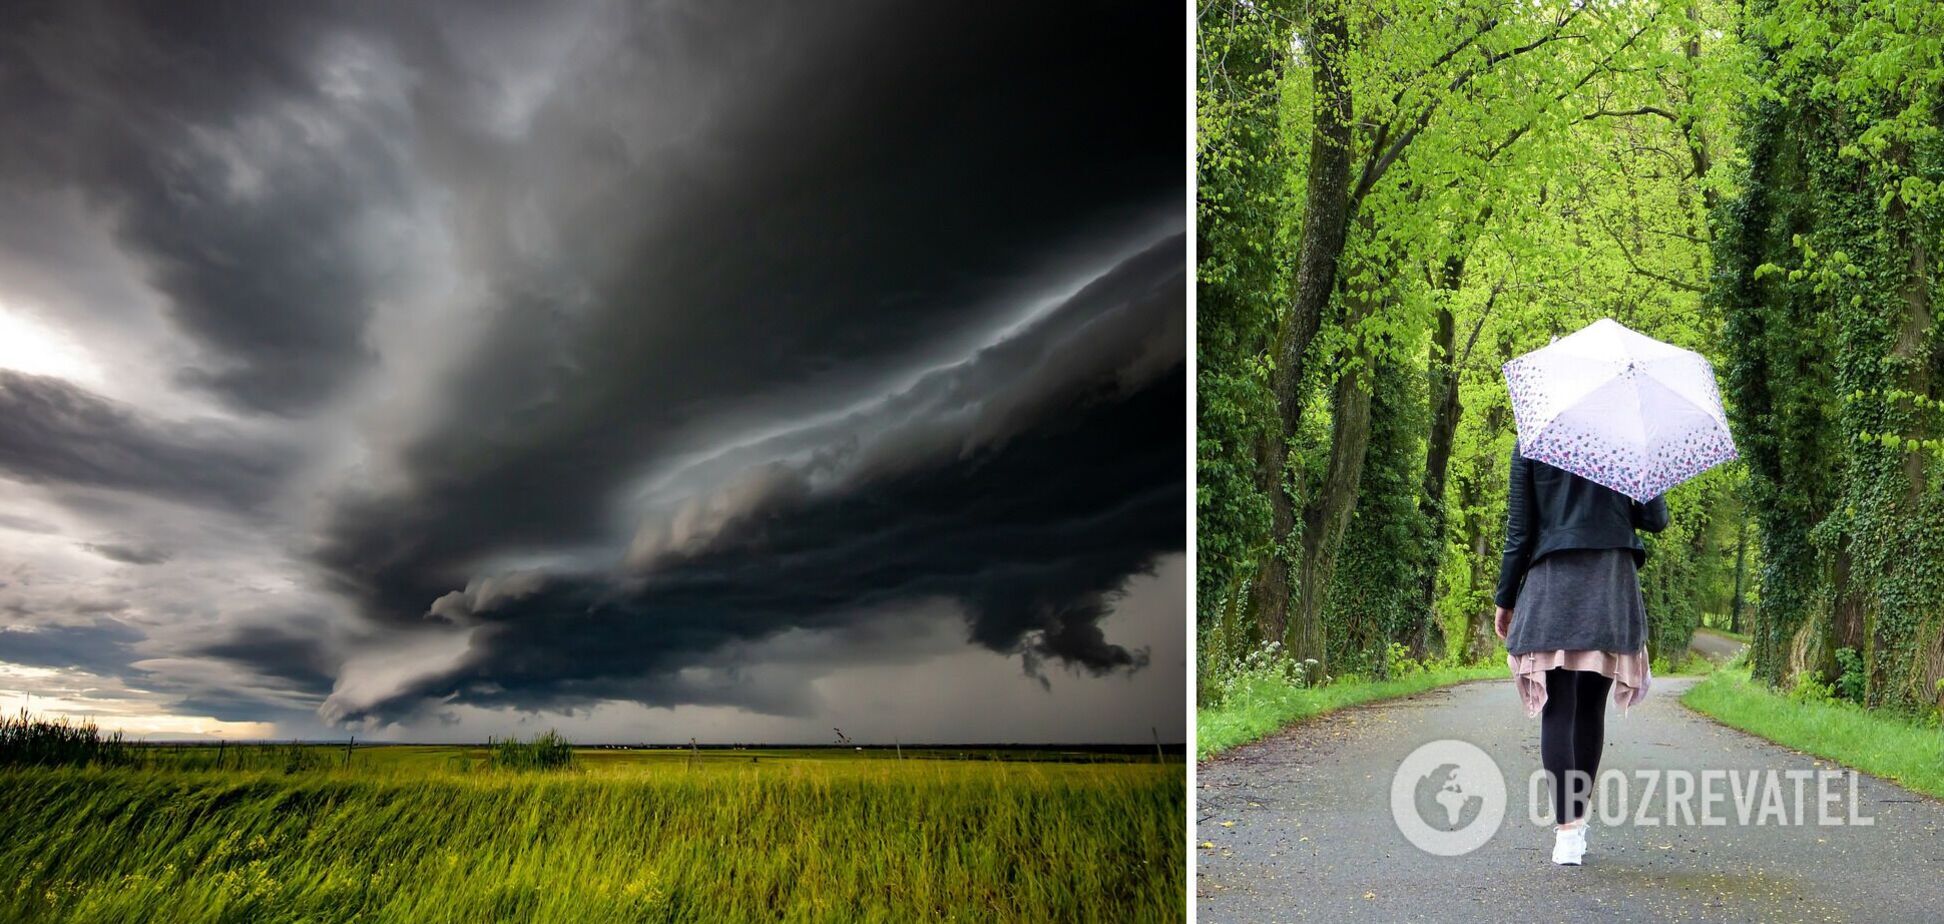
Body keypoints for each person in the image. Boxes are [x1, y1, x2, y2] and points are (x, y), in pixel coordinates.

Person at [1493, 441, 1668, 866]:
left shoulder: (1532, 442)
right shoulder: (1625, 441)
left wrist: (1506, 597)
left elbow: (1520, 531)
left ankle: (1566, 832)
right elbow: (1655, 519)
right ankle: (1577, 823)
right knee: (1591, 708)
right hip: (1609, 578)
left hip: (1553, 577)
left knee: (1559, 706)